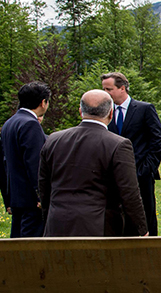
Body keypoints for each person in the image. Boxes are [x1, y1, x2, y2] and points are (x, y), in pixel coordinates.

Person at [38, 90, 148, 237]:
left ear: (80, 112)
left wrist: (49, 218)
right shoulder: (118, 144)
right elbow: (129, 192)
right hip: (98, 227)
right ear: (111, 113)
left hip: (57, 223)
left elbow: (44, 188)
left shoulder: (53, 140)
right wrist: (141, 229)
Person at [101, 72, 161, 237]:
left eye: (109, 89)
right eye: (103, 89)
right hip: (114, 176)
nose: (105, 93)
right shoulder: (104, 113)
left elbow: (157, 140)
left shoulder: (144, 109)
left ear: (122, 88)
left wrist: (147, 169)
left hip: (141, 175)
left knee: (145, 216)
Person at [1, 82, 50, 237]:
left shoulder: (10, 123)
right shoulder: (30, 124)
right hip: (31, 200)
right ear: (43, 102)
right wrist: (41, 194)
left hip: (16, 196)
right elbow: (35, 163)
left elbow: (5, 163)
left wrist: (8, 198)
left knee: (17, 245)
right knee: (31, 248)